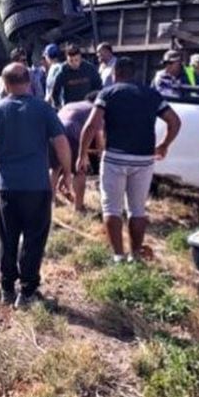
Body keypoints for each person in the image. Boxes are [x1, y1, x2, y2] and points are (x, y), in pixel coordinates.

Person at [0, 62, 72, 309]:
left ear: (5, 86)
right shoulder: (43, 109)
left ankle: (7, 288)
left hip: (7, 186)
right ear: (29, 81)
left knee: (7, 238)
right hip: (37, 186)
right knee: (34, 239)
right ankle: (27, 292)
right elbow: (61, 142)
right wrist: (67, 173)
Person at [79, 57, 181, 263]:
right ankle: (135, 255)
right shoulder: (151, 94)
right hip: (144, 158)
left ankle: (118, 256)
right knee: (137, 210)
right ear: (134, 74)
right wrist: (163, 145)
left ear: (115, 74)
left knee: (111, 208)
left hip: (115, 157)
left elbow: (91, 125)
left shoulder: (108, 93)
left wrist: (82, 154)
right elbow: (175, 121)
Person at [50, 90, 103, 213]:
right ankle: (78, 207)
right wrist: (101, 153)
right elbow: (99, 138)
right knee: (80, 170)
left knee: (55, 167)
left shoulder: (71, 105)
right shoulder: (95, 109)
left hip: (53, 135)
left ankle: (51, 201)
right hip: (72, 135)